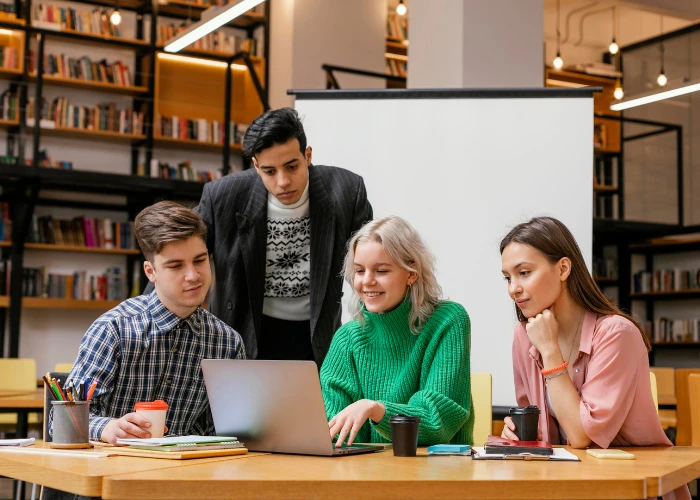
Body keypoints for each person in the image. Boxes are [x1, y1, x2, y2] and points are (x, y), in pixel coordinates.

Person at [147, 107, 372, 366]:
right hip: (244, 331)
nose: (283, 181)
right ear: (255, 166)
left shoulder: (345, 191)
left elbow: (370, 264)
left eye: (292, 166)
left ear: (307, 156)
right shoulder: (224, 196)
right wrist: (144, 318)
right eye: (270, 171)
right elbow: (176, 252)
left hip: (317, 335)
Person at [500, 216, 689, 499]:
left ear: (563, 268)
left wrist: (550, 351)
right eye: (507, 277)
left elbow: (581, 436)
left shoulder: (616, 333)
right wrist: (516, 433)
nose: (513, 288)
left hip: (631, 486)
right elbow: (539, 429)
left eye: (524, 272)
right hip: (569, 484)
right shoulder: (523, 335)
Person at [55, 201, 245, 445]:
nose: (193, 275)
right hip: (115, 471)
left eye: (199, 261)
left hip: (186, 476)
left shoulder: (228, 343)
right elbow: (62, 420)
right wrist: (109, 428)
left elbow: (226, 432)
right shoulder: (113, 329)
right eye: (175, 265)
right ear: (150, 272)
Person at [320, 216, 473, 447]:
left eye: (381, 271)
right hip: (368, 475)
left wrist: (376, 410)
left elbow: (436, 422)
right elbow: (334, 430)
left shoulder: (448, 321)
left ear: (411, 273)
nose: (367, 281)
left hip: (439, 473)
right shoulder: (347, 338)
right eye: (360, 271)